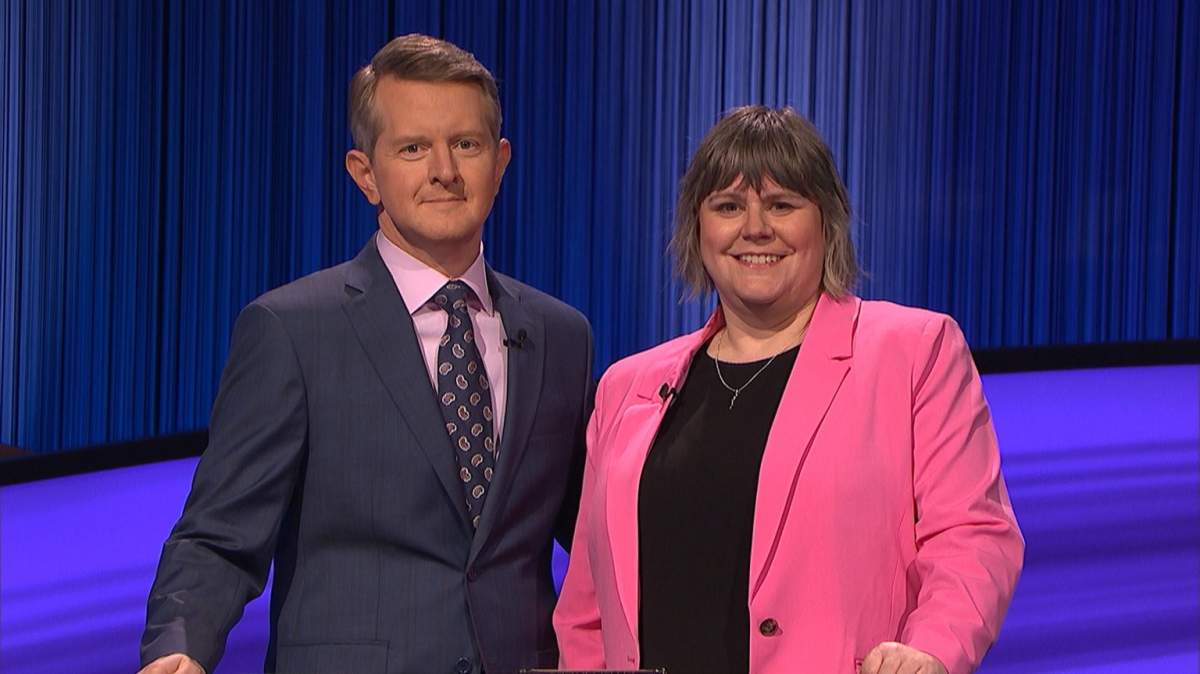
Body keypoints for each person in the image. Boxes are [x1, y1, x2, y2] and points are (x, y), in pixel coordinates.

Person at [139, 34, 593, 674]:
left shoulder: (560, 335)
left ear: (500, 161)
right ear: (365, 173)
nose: (444, 170)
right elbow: (219, 535)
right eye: (413, 148)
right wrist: (179, 646)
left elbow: (598, 536)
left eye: (466, 144)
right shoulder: (293, 330)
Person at [553, 106, 1023, 674]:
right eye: (728, 207)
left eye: (781, 204)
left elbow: (974, 535)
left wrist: (931, 649)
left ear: (825, 221)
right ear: (697, 229)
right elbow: (587, 608)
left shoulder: (915, 351)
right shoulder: (626, 387)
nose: (755, 228)